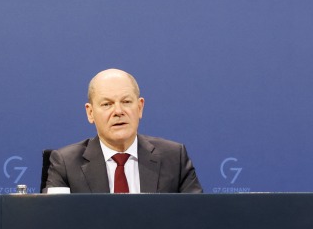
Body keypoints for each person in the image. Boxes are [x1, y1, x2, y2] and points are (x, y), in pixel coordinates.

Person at [43, 69, 202, 193]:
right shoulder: (66, 164)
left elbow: (198, 217)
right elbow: (54, 223)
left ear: (140, 107)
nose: (118, 111)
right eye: (107, 104)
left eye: (126, 102)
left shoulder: (173, 158)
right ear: (90, 113)